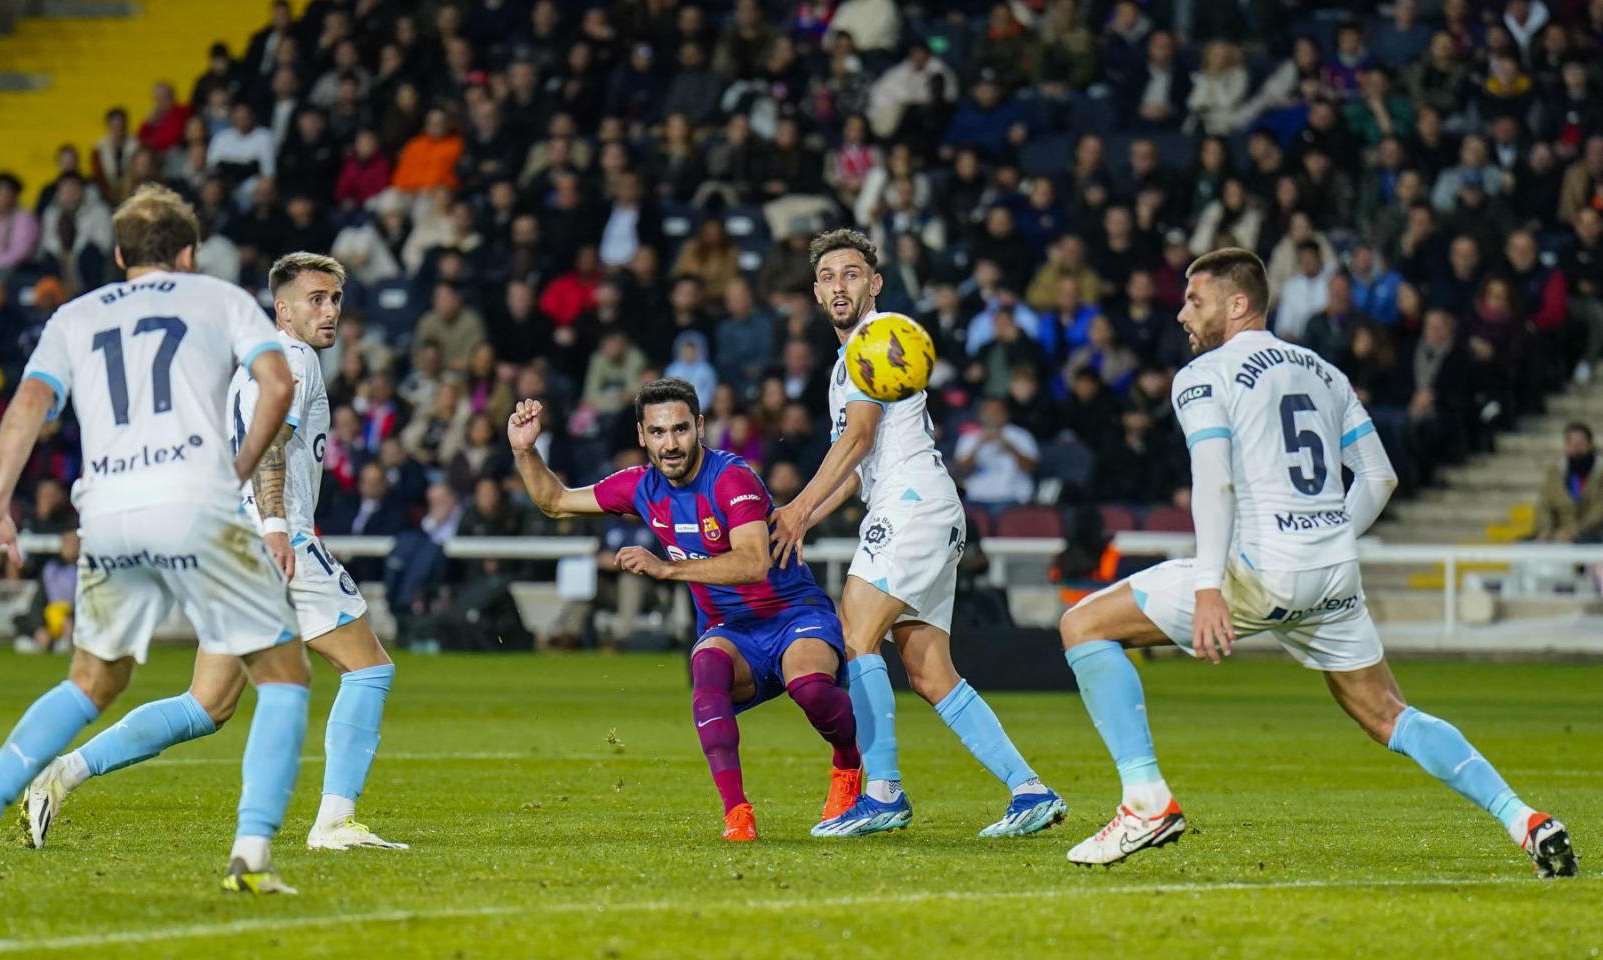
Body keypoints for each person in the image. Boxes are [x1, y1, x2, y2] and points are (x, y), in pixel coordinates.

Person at [1056, 247, 1576, 879]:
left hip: (1257, 569)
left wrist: (1208, 587)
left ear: (1238, 303)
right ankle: (1524, 819)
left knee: (1082, 626)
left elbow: (1213, 481)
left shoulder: (1203, 376)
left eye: (1195, 300)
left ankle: (1145, 801)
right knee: (1390, 715)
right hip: (1332, 573)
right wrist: (1327, 537)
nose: (1181, 314)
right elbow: (1379, 478)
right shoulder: (1325, 372)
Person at [0, 184, 310, 895]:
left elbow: (29, 406)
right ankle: (251, 856)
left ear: (118, 254)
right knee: (283, 675)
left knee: (91, 681)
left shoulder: (74, 316)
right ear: (189, 253)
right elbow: (278, 386)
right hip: (195, 501)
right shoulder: (218, 298)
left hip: (106, 512)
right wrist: (238, 470)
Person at [20, 252, 405, 855]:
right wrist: (278, 525)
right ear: (283, 308)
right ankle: (335, 821)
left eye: (335, 299)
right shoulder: (295, 360)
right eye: (316, 299)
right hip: (277, 541)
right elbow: (273, 444)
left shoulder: (249, 366)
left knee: (208, 705)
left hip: (230, 544)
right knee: (370, 668)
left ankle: (62, 772)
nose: (330, 311)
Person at [770, 229, 1066, 839]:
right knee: (930, 673)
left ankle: (882, 794)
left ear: (874, 283)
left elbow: (860, 439)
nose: (838, 286)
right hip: (921, 507)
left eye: (851, 274)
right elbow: (852, 470)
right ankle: (1030, 790)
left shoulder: (879, 339)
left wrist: (797, 509)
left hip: (910, 505)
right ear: (816, 293)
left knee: (855, 633)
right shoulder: (846, 358)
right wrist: (798, 518)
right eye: (827, 277)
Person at [509, 378, 864, 841]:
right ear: (642, 435)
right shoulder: (641, 486)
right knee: (707, 667)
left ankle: (849, 767)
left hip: (792, 614)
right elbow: (555, 502)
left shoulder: (732, 478)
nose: (670, 444)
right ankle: (737, 815)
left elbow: (755, 562)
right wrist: (524, 452)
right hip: (732, 630)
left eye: (679, 430)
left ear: (699, 427)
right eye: (658, 433)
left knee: (811, 690)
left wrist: (667, 570)